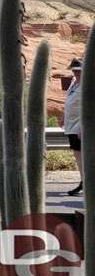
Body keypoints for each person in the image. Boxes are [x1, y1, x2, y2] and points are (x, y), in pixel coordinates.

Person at [63, 57, 84, 196]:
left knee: (81, 154)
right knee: (77, 154)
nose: (76, 73)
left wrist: (84, 127)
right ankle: (84, 182)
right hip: (71, 124)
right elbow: (69, 100)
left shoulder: (87, 85)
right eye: (74, 70)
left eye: (79, 71)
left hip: (80, 126)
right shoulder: (73, 82)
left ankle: (85, 183)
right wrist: (63, 116)